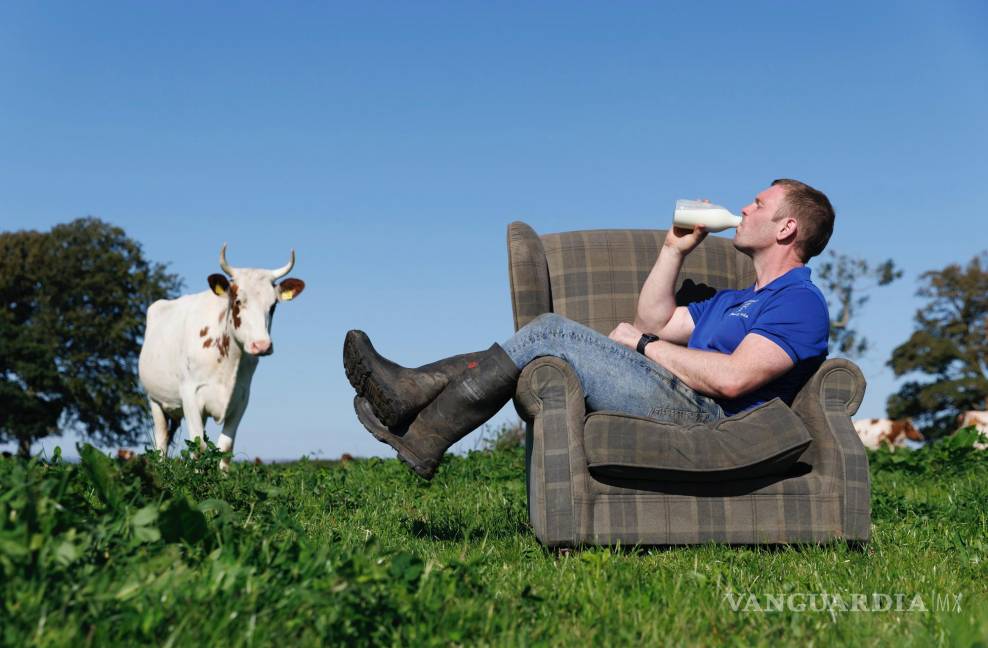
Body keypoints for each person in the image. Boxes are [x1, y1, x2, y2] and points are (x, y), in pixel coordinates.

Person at [343, 178, 834, 479]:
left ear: (787, 228)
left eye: (758, 204)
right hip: (682, 395)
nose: (745, 209)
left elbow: (732, 379)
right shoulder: (736, 300)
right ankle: (415, 410)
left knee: (550, 330)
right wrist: (674, 250)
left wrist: (645, 347)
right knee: (545, 337)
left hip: (713, 417)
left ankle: (418, 414)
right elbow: (656, 320)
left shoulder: (798, 302)